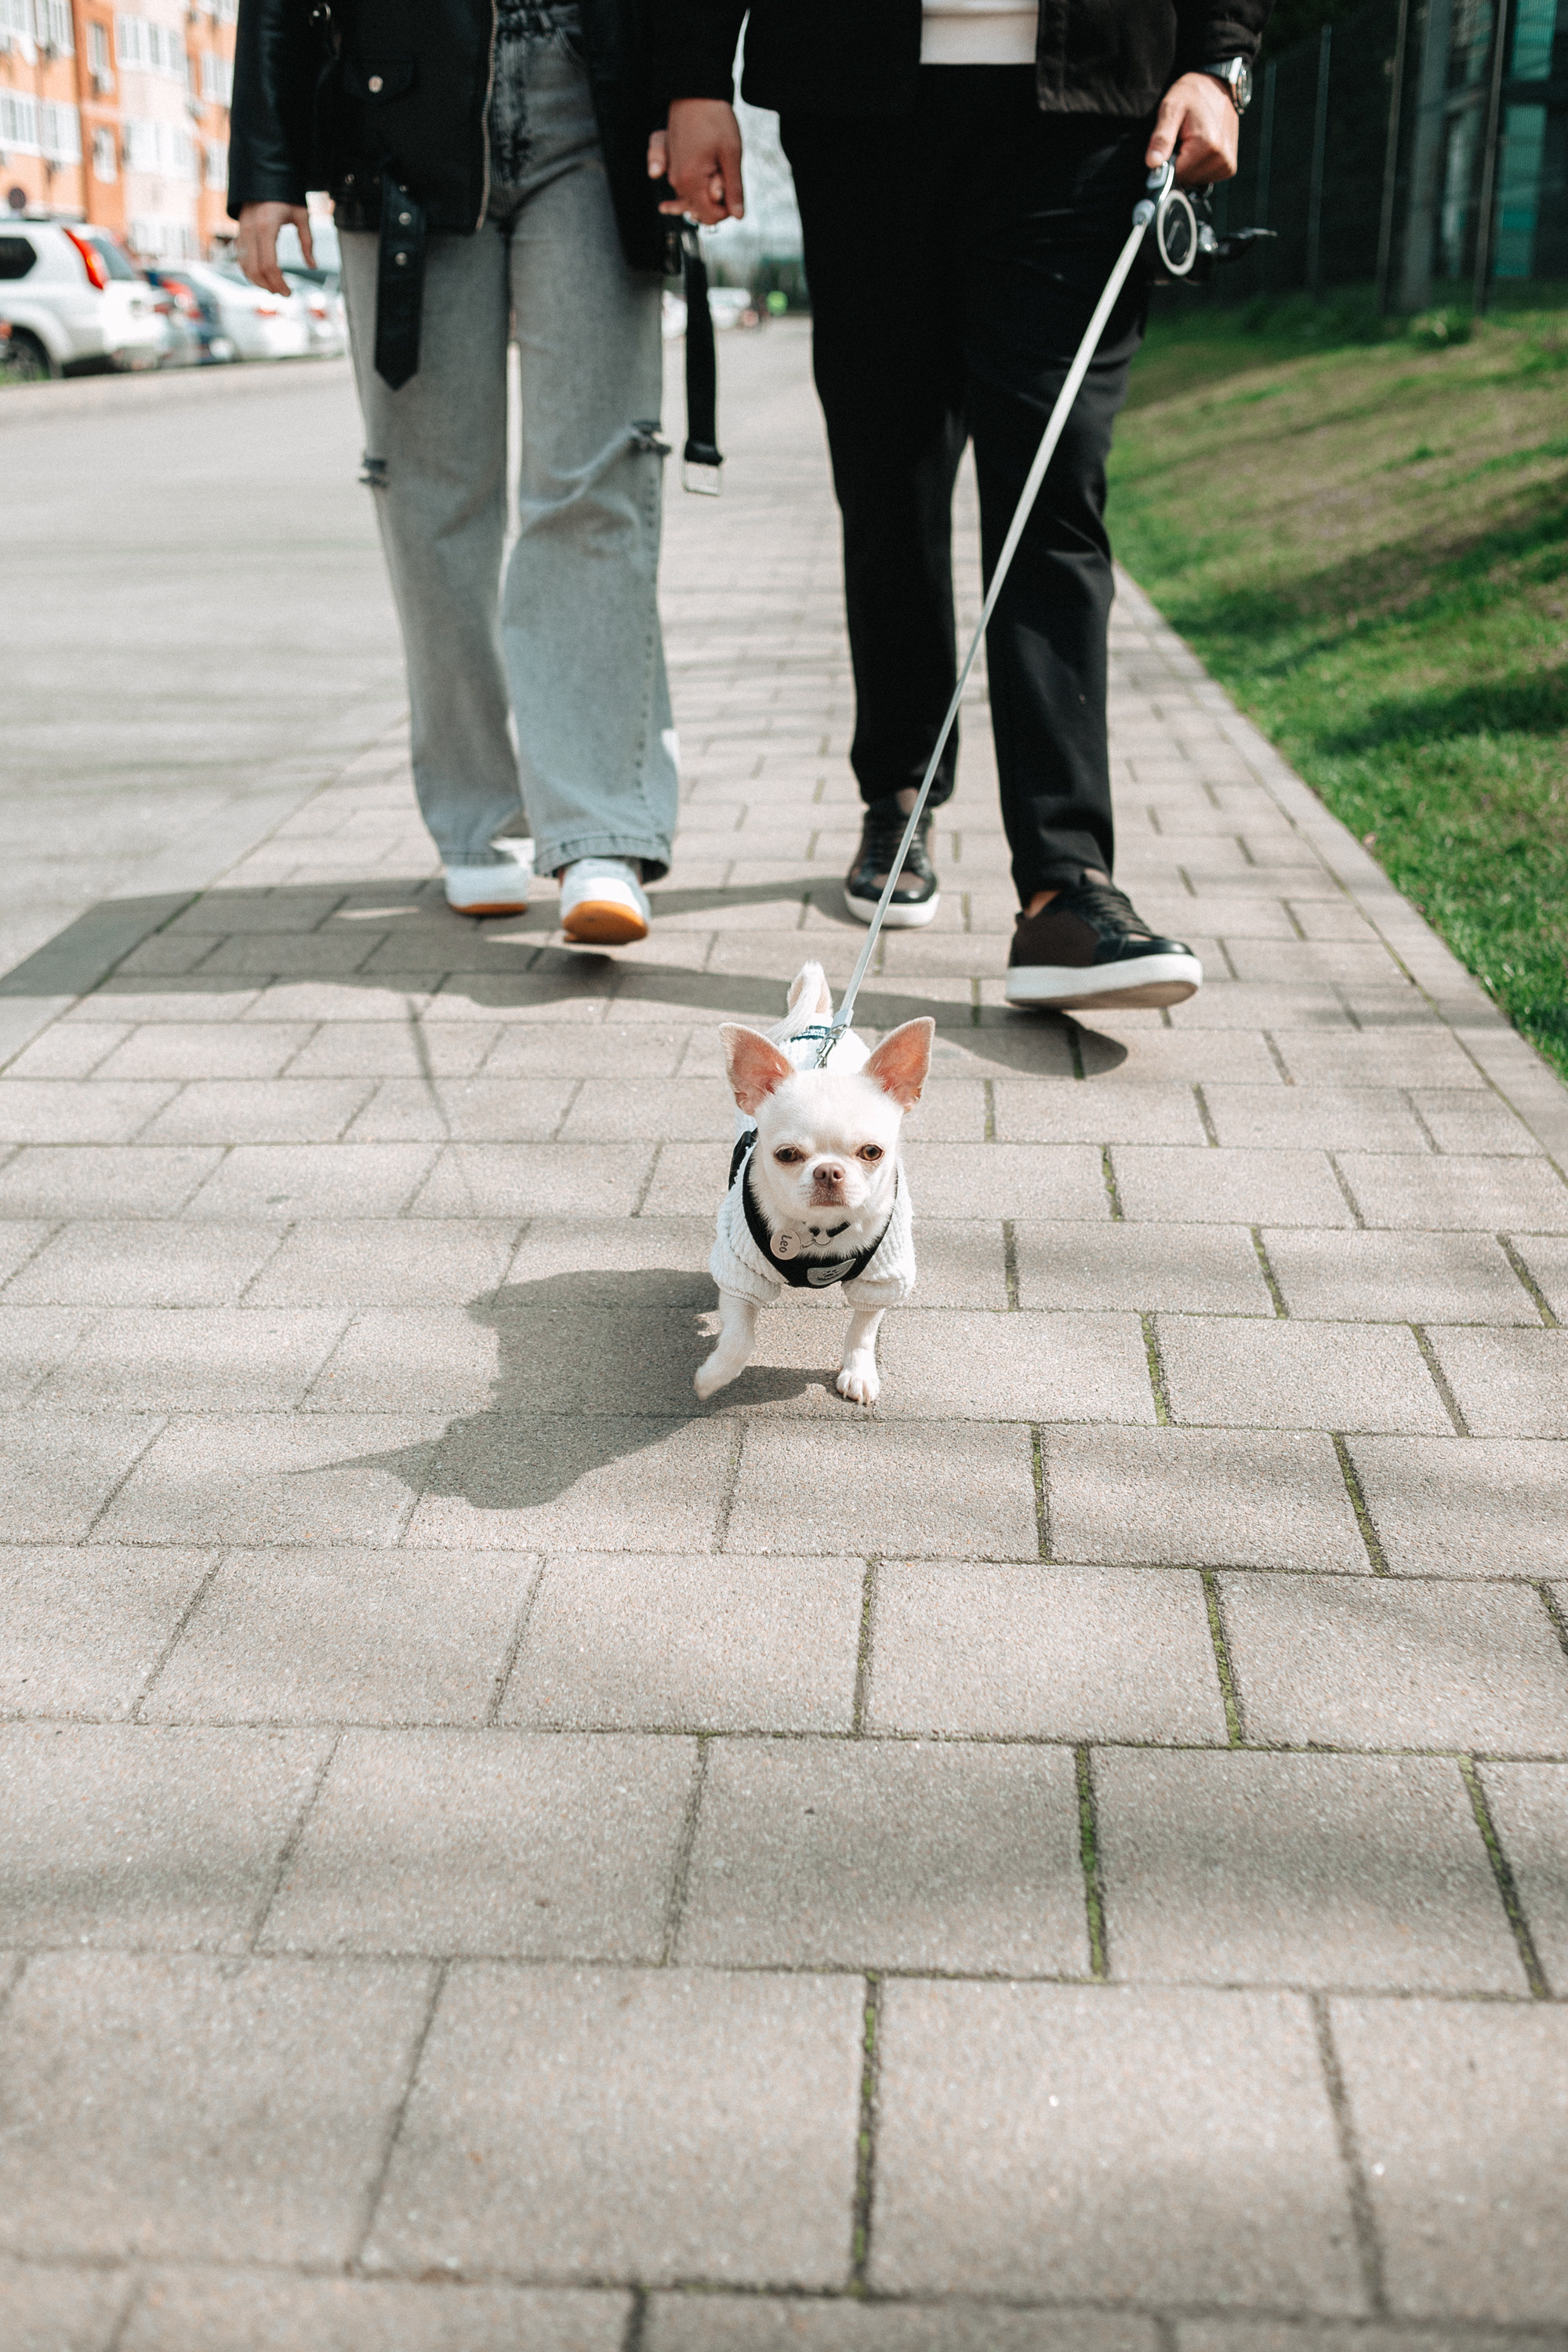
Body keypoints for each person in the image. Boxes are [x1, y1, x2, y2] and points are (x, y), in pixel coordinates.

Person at [653, 0, 1269, 1010]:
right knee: (886, 473)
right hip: (854, 94)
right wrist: (690, 77)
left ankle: (1065, 887)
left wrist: (1219, 63)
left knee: (1052, 482)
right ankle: (896, 792)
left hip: (1087, 104)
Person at [230, 0, 681, 947]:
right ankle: (478, 816)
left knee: (594, 481)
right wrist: (266, 169)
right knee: (430, 496)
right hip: (397, 110)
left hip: (594, 91)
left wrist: (693, 91)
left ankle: (596, 832)